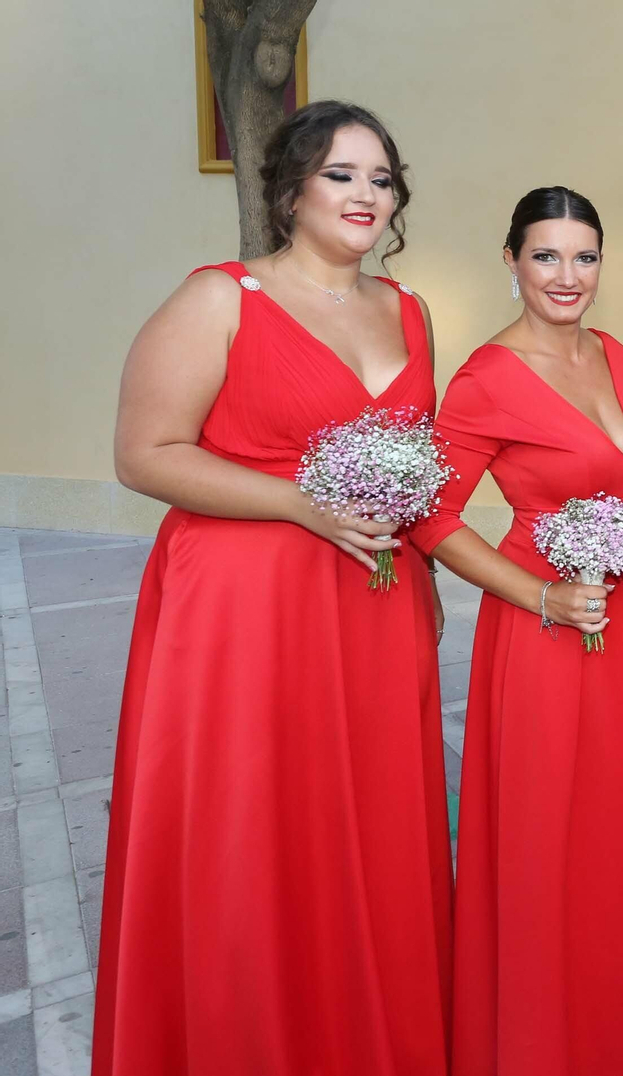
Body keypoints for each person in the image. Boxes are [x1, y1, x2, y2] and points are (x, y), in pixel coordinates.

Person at [96, 101, 451, 1075]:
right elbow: (143, 452)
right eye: (340, 174)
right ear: (291, 188)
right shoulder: (223, 297)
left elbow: (414, 461)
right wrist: (303, 503)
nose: (364, 195)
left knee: (363, 840)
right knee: (250, 833)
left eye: (380, 178)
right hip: (243, 609)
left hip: (373, 605)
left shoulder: (411, 310)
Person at [408, 187, 623, 1076]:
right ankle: (544, 1040)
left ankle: (621, 1027)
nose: (568, 276)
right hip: (550, 630)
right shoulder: (485, 375)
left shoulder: (614, 351)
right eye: (547, 256)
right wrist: (539, 597)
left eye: (585, 257)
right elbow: (432, 518)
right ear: (512, 259)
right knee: (554, 840)